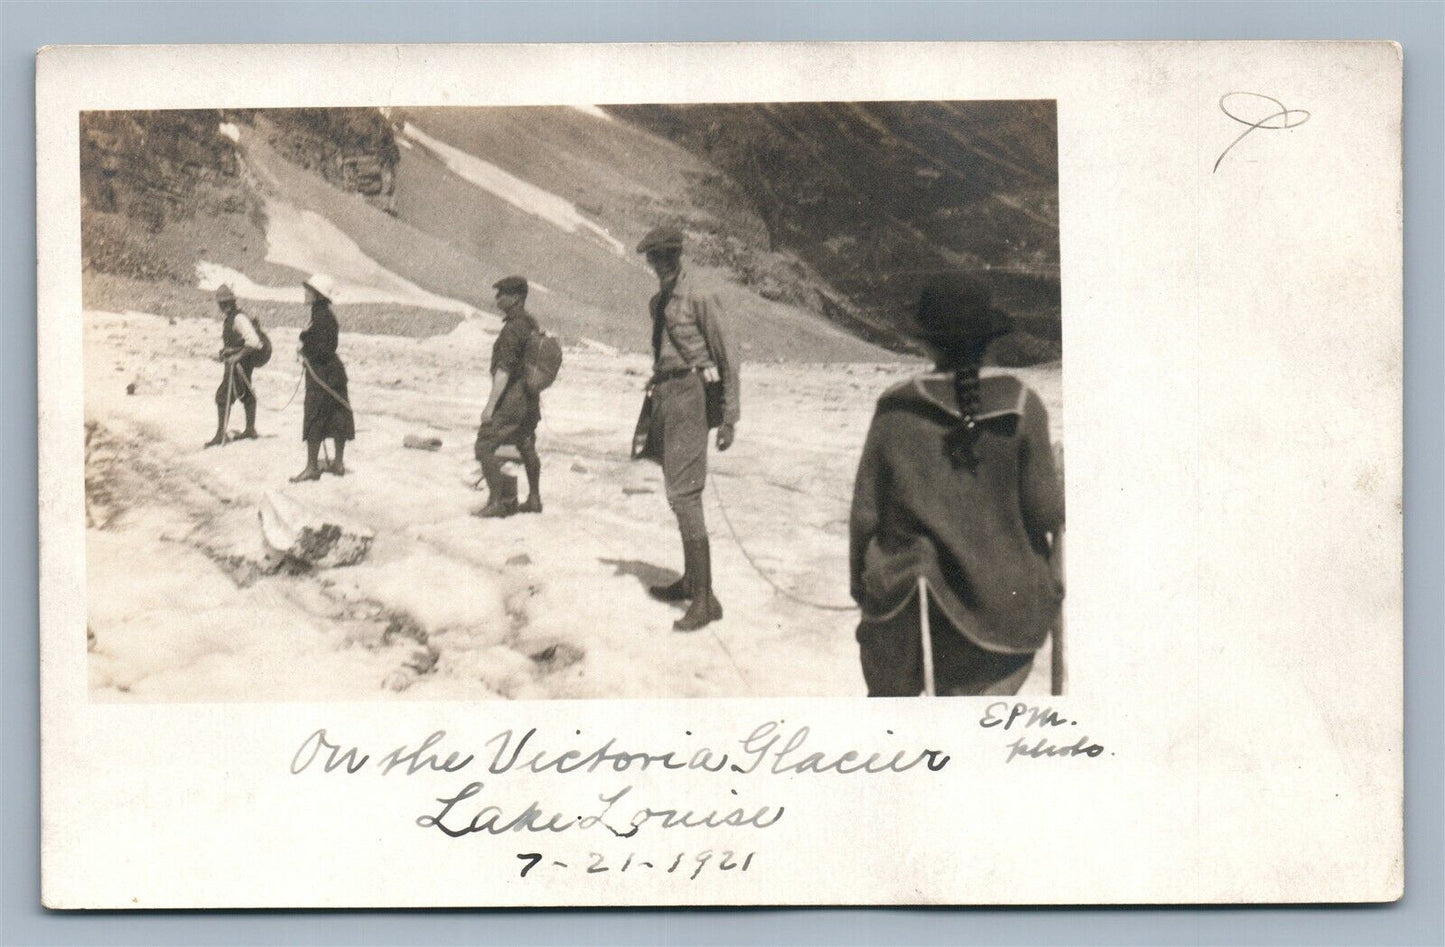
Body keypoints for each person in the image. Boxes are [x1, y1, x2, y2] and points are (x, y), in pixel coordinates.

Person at [848, 273, 1065, 697]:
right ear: (989, 340)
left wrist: (861, 587)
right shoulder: (1023, 406)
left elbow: (864, 515)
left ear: (926, 341)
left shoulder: (895, 408)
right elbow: (1046, 514)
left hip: (905, 610)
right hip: (1002, 617)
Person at [635, 226, 740, 632]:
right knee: (677, 493)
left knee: (685, 493)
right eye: (653, 258)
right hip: (667, 396)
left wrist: (729, 416)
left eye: (665, 256)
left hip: (692, 394)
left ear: (678, 255)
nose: (659, 264)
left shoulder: (699, 296)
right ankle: (693, 582)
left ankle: (704, 600)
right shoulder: (658, 301)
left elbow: (728, 357)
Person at [473, 275, 544, 517]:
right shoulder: (530, 323)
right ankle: (534, 499)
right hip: (530, 398)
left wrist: (490, 407)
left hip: (513, 399)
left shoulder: (513, 329)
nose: (497, 298)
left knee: (484, 445)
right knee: (525, 444)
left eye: (501, 293)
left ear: (515, 298)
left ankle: (497, 502)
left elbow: (503, 370)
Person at [290, 274, 356, 483]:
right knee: (337, 414)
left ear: (318, 295)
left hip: (322, 372)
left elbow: (324, 347)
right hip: (331, 372)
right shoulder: (321, 314)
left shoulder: (320, 317)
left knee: (315, 415)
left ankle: (312, 468)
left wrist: (305, 350)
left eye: (309, 290)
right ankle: (337, 463)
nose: (305, 293)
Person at [203, 284, 263, 448]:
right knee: (246, 393)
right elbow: (238, 342)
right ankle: (250, 429)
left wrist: (236, 356)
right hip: (238, 362)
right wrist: (228, 351)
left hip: (239, 364)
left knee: (223, 395)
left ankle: (220, 434)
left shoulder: (238, 318)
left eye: (222, 303)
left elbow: (254, 342)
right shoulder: (232, 317)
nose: (221, 306)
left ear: (226, 303)